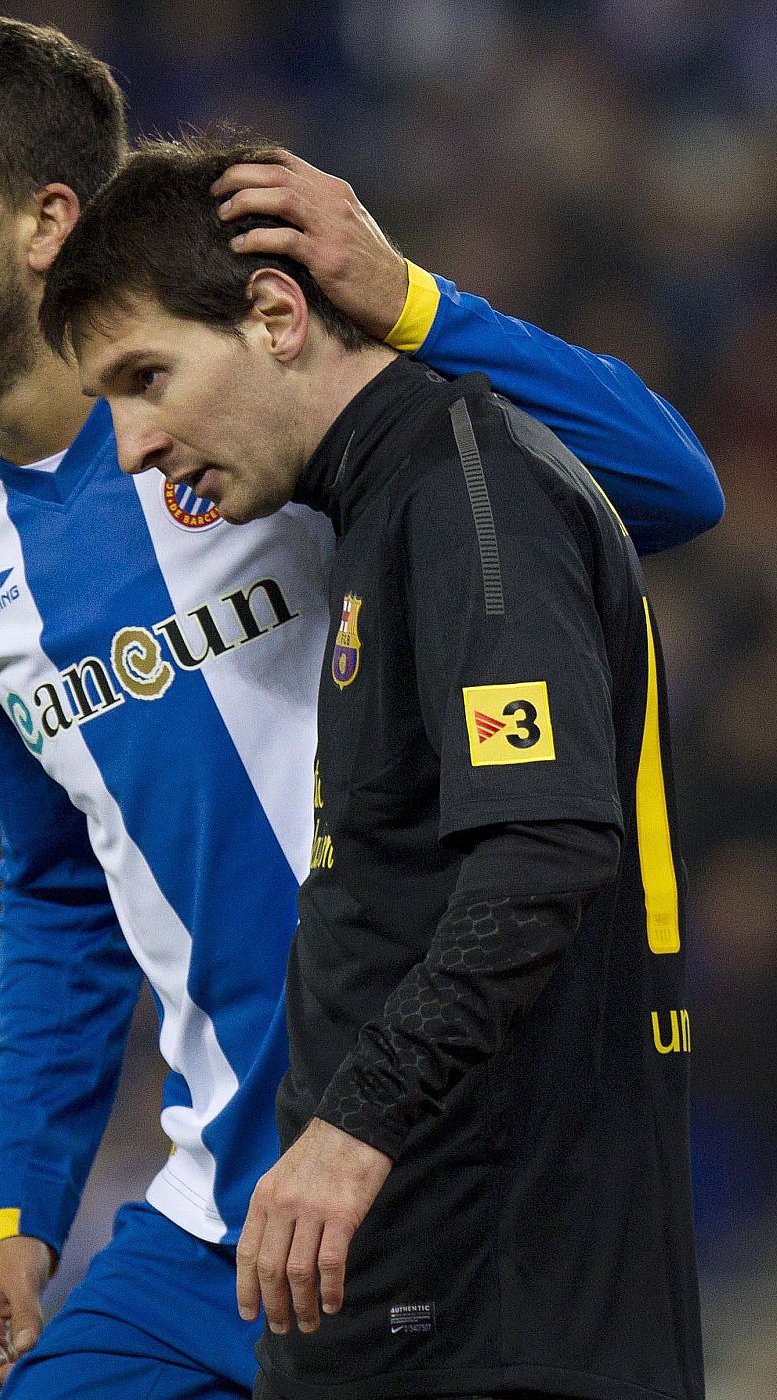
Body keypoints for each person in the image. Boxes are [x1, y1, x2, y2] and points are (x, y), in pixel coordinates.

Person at [0, 12, 718, 1400]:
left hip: (422, 1177)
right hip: (209, 1213)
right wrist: (21, 1203)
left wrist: (410, 297)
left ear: (48, 219)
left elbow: (656, 492)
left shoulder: (275, 413)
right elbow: (60, 883)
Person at [40, 133, 706, 1400]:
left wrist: (353, 1127)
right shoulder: (380, 505)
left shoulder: (473, 494)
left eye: (146, 377)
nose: (131, 444)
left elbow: (540, 844)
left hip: (497, 1297)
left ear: (277, 314)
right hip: (418, 1288)